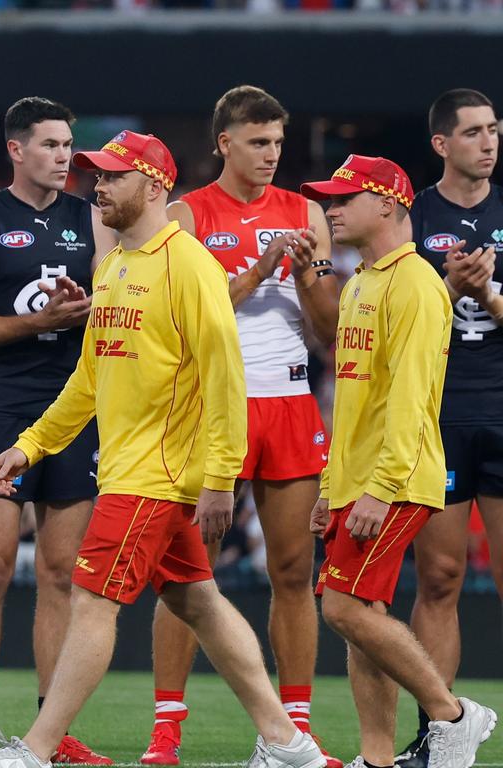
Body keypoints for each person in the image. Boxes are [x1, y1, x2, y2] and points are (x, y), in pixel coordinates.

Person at [0, 130, 325, 768]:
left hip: (155, 475)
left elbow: (225, 379)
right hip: (132, 468)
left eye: (113, 176)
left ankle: (36, 749)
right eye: (97, 175)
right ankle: (289, 741)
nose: (97, 185)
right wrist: (32, 444)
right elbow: (90, 378)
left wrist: (220, 477)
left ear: (154, 186)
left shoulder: (190, 265)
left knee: (94, 601)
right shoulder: (115, 264)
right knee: (198, 599)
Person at [149, 85, 340, 768]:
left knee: (293, 570)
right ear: (224, 142)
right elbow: (185, 321)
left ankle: (292, 730)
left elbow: (329, 334)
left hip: (289, 403)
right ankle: (166, 731)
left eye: (278, 144)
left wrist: (312, 279)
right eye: (258, 143)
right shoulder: (186, 215)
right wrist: (261, 270)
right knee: (186, 574)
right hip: (213, 407)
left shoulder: (307, 213)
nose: (270, 156)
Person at [300, 154, 497, 768]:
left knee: (342, 606)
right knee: (366, 613)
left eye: (343, 197)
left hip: (397, 478)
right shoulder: (360, 280)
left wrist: (379, 488)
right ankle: (377, 755)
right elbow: (354, 400)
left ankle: (453, 715)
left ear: (387, 202)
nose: (330, 208)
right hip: (358, 478)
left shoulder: (414, 284)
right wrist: (332, 485)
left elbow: (413, 403)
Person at [0, 96, 115, 765]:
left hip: (76, 408)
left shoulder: (92, 220)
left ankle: (51, 730)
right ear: (16, 149)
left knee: (62, 573)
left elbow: (117, 306)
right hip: (3, 409)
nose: (64, 156)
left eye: (68, 144)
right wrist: (45, 322)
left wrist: (89, 311)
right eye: (49, 144)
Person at [398, 88, 503, 768]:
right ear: (442, 144)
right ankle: (441, 731)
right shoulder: (411, 219)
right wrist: (446, 290)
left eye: (494, 130)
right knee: (439, 577)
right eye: (473, 132)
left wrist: (486, 293)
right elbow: (389, 320)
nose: (489, 142)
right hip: (436, 414)